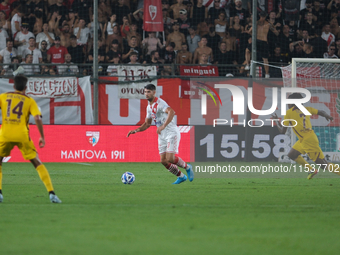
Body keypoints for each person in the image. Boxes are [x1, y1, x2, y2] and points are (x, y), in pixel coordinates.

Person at [0, 74, 61, 203]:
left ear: (13, 85)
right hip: (22, 135)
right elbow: (37, 118)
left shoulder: (3, 97)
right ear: (25, 87)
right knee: (37, 162)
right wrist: (42, 137)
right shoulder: (29, 100)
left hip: (5, 134)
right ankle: (51, 193)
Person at [127, 84, 194, 184]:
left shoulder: (160, 103)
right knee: (163, 160)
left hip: (171, 132)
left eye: (149, 92)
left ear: (154, 93)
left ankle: (187, 167)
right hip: (162, 135)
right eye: (145, 92)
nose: (146, 94)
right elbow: (147, 123)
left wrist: (163, 126)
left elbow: (172, 112)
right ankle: (181, 176)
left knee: (170, 158)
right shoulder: (149, 107)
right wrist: (136, 130)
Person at [272, 93, 340, 179]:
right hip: (305, 138)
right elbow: (321, 112)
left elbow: (282, 131)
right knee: (292, 155)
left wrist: (276, 121)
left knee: (323, 164)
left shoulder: (289, 113)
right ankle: (311, 170)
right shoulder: (307, 109)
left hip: (308, 141)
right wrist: (328, 116)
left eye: (288, 102)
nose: (288, 104)